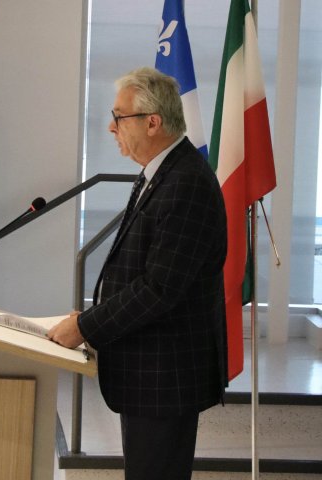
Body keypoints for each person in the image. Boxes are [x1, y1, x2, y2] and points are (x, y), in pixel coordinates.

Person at [48, 67, 228, 480]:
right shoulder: (161, 172)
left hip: (165, 377)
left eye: (119, 116)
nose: (111, 127)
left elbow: (158, 288)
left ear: (152, 122)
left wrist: (87, 327)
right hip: (148, 371)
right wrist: (90, 319)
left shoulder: (185, 183)